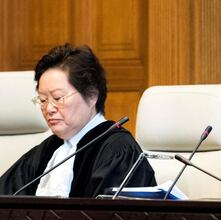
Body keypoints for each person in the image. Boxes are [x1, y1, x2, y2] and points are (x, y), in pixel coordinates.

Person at [0, 43, 156, 197]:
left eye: (57, 98)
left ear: (92, 95)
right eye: (42, 100)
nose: (49, 109)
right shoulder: (46, 151)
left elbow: (114, 219)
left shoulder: (117, 150)